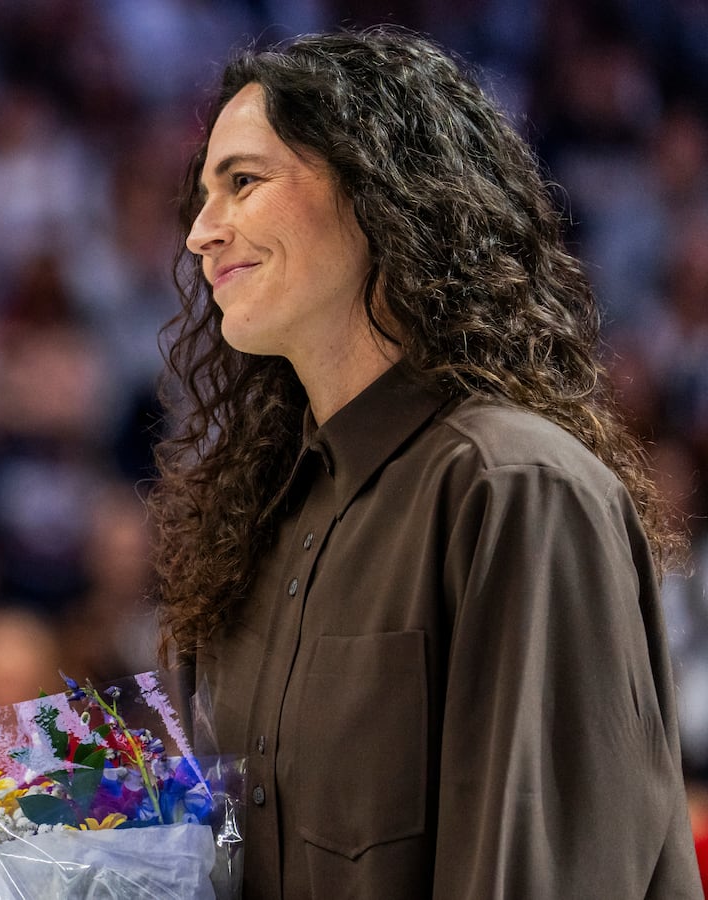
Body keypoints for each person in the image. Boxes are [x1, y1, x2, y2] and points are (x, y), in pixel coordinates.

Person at [148, 28, 701, 899]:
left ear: (379, 189)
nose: (201, 234)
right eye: (203, 195)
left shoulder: (513, 488)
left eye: (243, 184)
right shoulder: (252, 519)